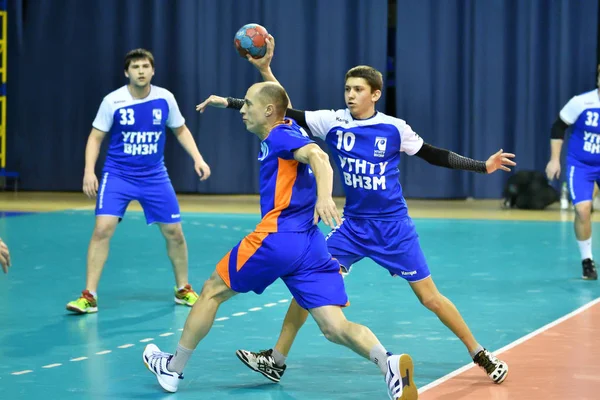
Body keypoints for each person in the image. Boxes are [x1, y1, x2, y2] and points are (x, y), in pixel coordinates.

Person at [196, 36, 514, 385]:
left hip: (393, 228)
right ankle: (277, 358)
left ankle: (479, 352)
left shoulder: (394, 128)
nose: (350, 95)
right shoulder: (333, 121)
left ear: (375, 94)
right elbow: (279, 111)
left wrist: (481, 166)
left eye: (358, 89)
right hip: (352, 227)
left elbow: (434, 154)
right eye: (347, 88)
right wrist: (245, 88)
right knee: (309, 286)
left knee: (430, 298)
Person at [142, 82, 418, 400]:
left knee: (211, 291)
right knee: (334, 326)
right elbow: (293, 122)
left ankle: (173, 368)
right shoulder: (287, 128)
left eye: (247, 104)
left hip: (277, 237)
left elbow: (319, 156)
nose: (242, 110)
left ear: (269, 111)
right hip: (311, 245)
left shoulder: (279, 135)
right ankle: (389, 364)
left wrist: (325, 197)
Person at [66, 49, 211, 314]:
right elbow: (95, 137)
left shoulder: (165, 98)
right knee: (102, 229)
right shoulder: (113, 101)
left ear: (152, 71)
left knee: (175, 233)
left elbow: (181, 129)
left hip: (154, 175)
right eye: (135, 67)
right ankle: (89, 296)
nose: (141, 71)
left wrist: (198, 159)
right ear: (127, 72)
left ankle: (183, 289)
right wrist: (89, 171)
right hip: (118, 175)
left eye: (145, 66)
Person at [546, 64, 600, 280]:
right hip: (582, 165)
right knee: (583, 210)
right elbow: (558, 127)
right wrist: (554, 160)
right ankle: (587, 260)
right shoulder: (581, 102)